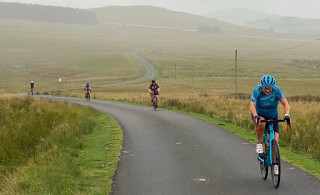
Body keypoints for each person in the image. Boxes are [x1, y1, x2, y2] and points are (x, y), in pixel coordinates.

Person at [250, 75, 290, 156]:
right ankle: (259, 143)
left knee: (275, 143)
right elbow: (252, 105)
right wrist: (255, 116)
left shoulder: (276, 90)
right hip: (259, 114)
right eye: (265, 88)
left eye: (270, 88)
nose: (267, 90)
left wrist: (287, 115)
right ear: (262, 86)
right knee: (262, 123)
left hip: (272, 115)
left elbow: (285, 103)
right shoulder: (257, 90)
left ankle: (275, 165)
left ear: (273, 87)